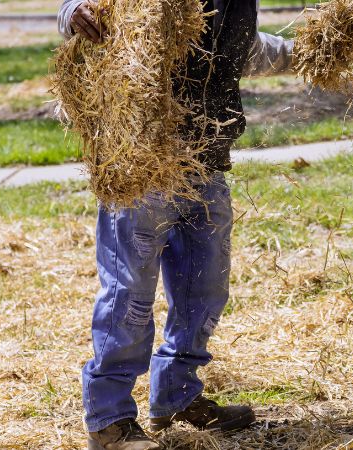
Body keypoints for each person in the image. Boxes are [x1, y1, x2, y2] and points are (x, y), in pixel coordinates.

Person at [56, 0, 294, 448]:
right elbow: (84, 14)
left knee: (203, 290)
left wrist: (318, 51)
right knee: (129, 296)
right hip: (140, 168)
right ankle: (109, 419)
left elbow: (243, 49)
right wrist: (72, 13)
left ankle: (177, 395)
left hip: (206, 164)